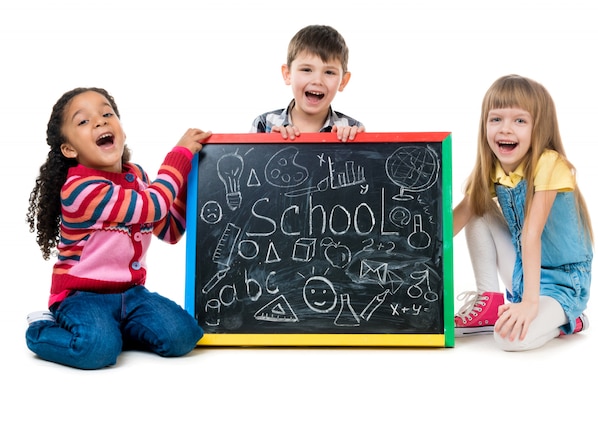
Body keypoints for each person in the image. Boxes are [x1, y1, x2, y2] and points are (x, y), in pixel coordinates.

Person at [25, 87, 212, 369]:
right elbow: (154, 205)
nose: (100, 121)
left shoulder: (136, 176)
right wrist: (179, 156)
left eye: (106, 113)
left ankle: (114, 330)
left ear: (121, 130)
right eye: (83, 121)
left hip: (132, 293)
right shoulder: (79, 190)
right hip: (82, 296)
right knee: (96, 351)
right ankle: (41, 329)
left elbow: (170, 230)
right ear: (69, 149)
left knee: (183, 337)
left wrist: (192, 178)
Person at [453, 74, 593, 351]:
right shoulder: (491, 169)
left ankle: (569, 319)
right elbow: (457, 219)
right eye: (496, 119)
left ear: (538, 128)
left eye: (519, 120)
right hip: (521, 272)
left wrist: (529, 304)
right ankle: (490, 300)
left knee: (507, 340)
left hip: (562, 283)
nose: (505, 129)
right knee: (478, 209)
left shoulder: (550, 163)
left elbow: (531, 234)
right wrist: (413, 245)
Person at [250, 24, 364, 142]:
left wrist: (351, 147)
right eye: (306, 70)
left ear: (343, 81)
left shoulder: (352, 129)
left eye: (329, 72)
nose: (317, 81)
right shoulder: (264, 125)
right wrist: (270, 148)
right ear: (287, 74)